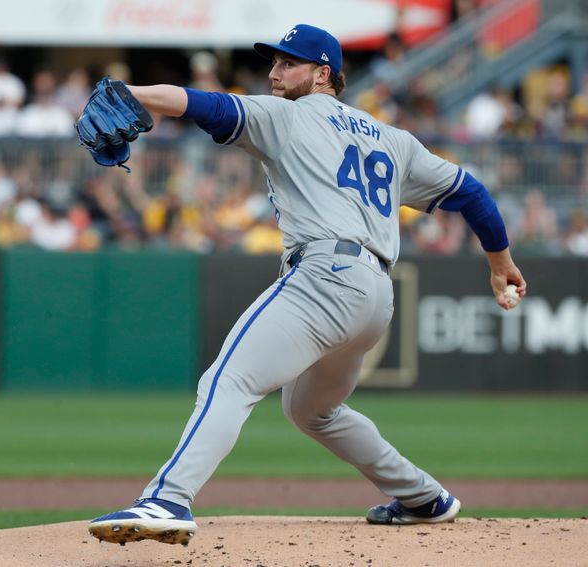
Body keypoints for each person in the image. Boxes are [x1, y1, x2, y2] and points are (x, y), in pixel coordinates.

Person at [87, 24, 527, 546]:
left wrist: (131, 94)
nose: (274, 74)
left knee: (228, 382)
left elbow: (200, 104)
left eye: (287, 64)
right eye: (273, 63)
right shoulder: (392, 138)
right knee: (312, 410)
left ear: (323, 74)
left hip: (324, 276)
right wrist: (500, 263)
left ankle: (167, 498)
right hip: (374, 298)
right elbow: (470, 192)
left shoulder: (289, 116)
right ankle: (422, 496)